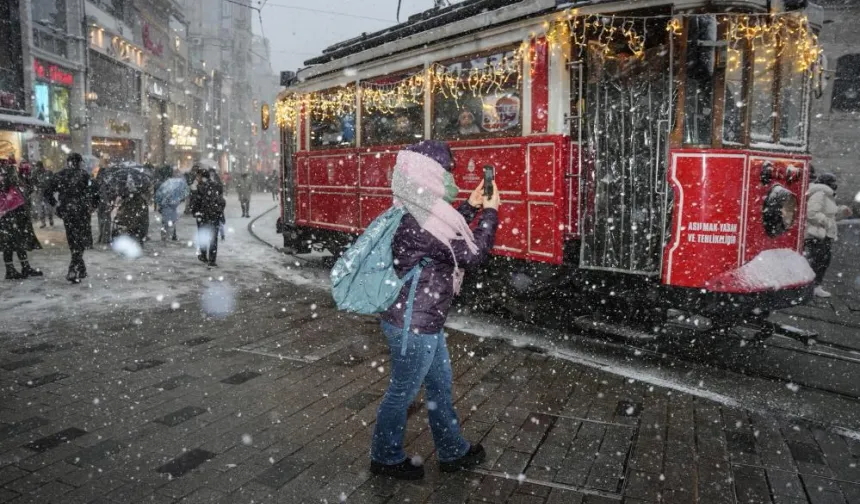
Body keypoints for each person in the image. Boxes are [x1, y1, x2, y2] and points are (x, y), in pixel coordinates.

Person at [370, 140, 500, 480]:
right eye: (443, 172)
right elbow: (471, 255)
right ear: (428, 174)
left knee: (440, 387)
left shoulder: (416, 207)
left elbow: (447, 234)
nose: (448, 178)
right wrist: (491, 212)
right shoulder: (421, 219)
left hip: (421, 319)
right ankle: (385, 458)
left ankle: (452, 449)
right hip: (414, 323)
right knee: (402, 392)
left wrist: (470, 208)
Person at [44, 153, 99, 284]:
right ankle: (73, 268)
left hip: (67, 211)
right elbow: (95, 192)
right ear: (79, 162)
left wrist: (57, 205)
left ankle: (80, 267)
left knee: (73, 239)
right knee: (80, 240)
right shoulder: (84, 175)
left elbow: (47, 192)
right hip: (82, 211)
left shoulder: (60, 175)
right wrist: (93, 205)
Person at [805, 172, 851, 298]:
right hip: (816, 234)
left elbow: (831, 215)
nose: (835, 185)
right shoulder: (820, 193)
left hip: (824, 235)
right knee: (818, 261)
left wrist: (842, 211)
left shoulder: (828, 195)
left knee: (823, 261)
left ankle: (815, 287)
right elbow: (811, 213)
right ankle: (810, 287)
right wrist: (827, 222)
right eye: (833, 182)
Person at [0, 160, 43, 280]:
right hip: (9, 217)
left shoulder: (14, 184)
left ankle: (23, 267)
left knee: (17, 242)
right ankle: (11, 270)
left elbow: (27, 191)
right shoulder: (7, 183)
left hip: (14, 216)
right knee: (10, 243)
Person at [189, 168, 225, 267]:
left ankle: (204, 256)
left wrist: (195, 212)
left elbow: (194, 203)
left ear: (201, 177)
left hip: (203, 215)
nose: (197, 178)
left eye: (198, 176)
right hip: (215, 215)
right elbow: (221, 200)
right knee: (213, 238)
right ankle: (212, 260)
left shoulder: (198, 187)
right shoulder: (216, 185)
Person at [154, 169, 189, 242]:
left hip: (165, 212)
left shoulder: (164, 189)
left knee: (165, 225)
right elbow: (176, 203)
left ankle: (164, 237)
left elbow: (159, 199)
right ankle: (169, 238)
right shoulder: (174, 196)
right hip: (171, 213)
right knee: (170, 225)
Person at [31, 162, 54, 228]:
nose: (37, 168)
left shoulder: (47, 172)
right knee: (41, 207)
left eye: (37, 167)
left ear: (40, 166)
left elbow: (52, 181)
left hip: (45, 192)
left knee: (46, 207)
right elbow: (32, 181)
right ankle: (44, 222)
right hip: (41, 191)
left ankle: (49, 220)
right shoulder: (35, 173)